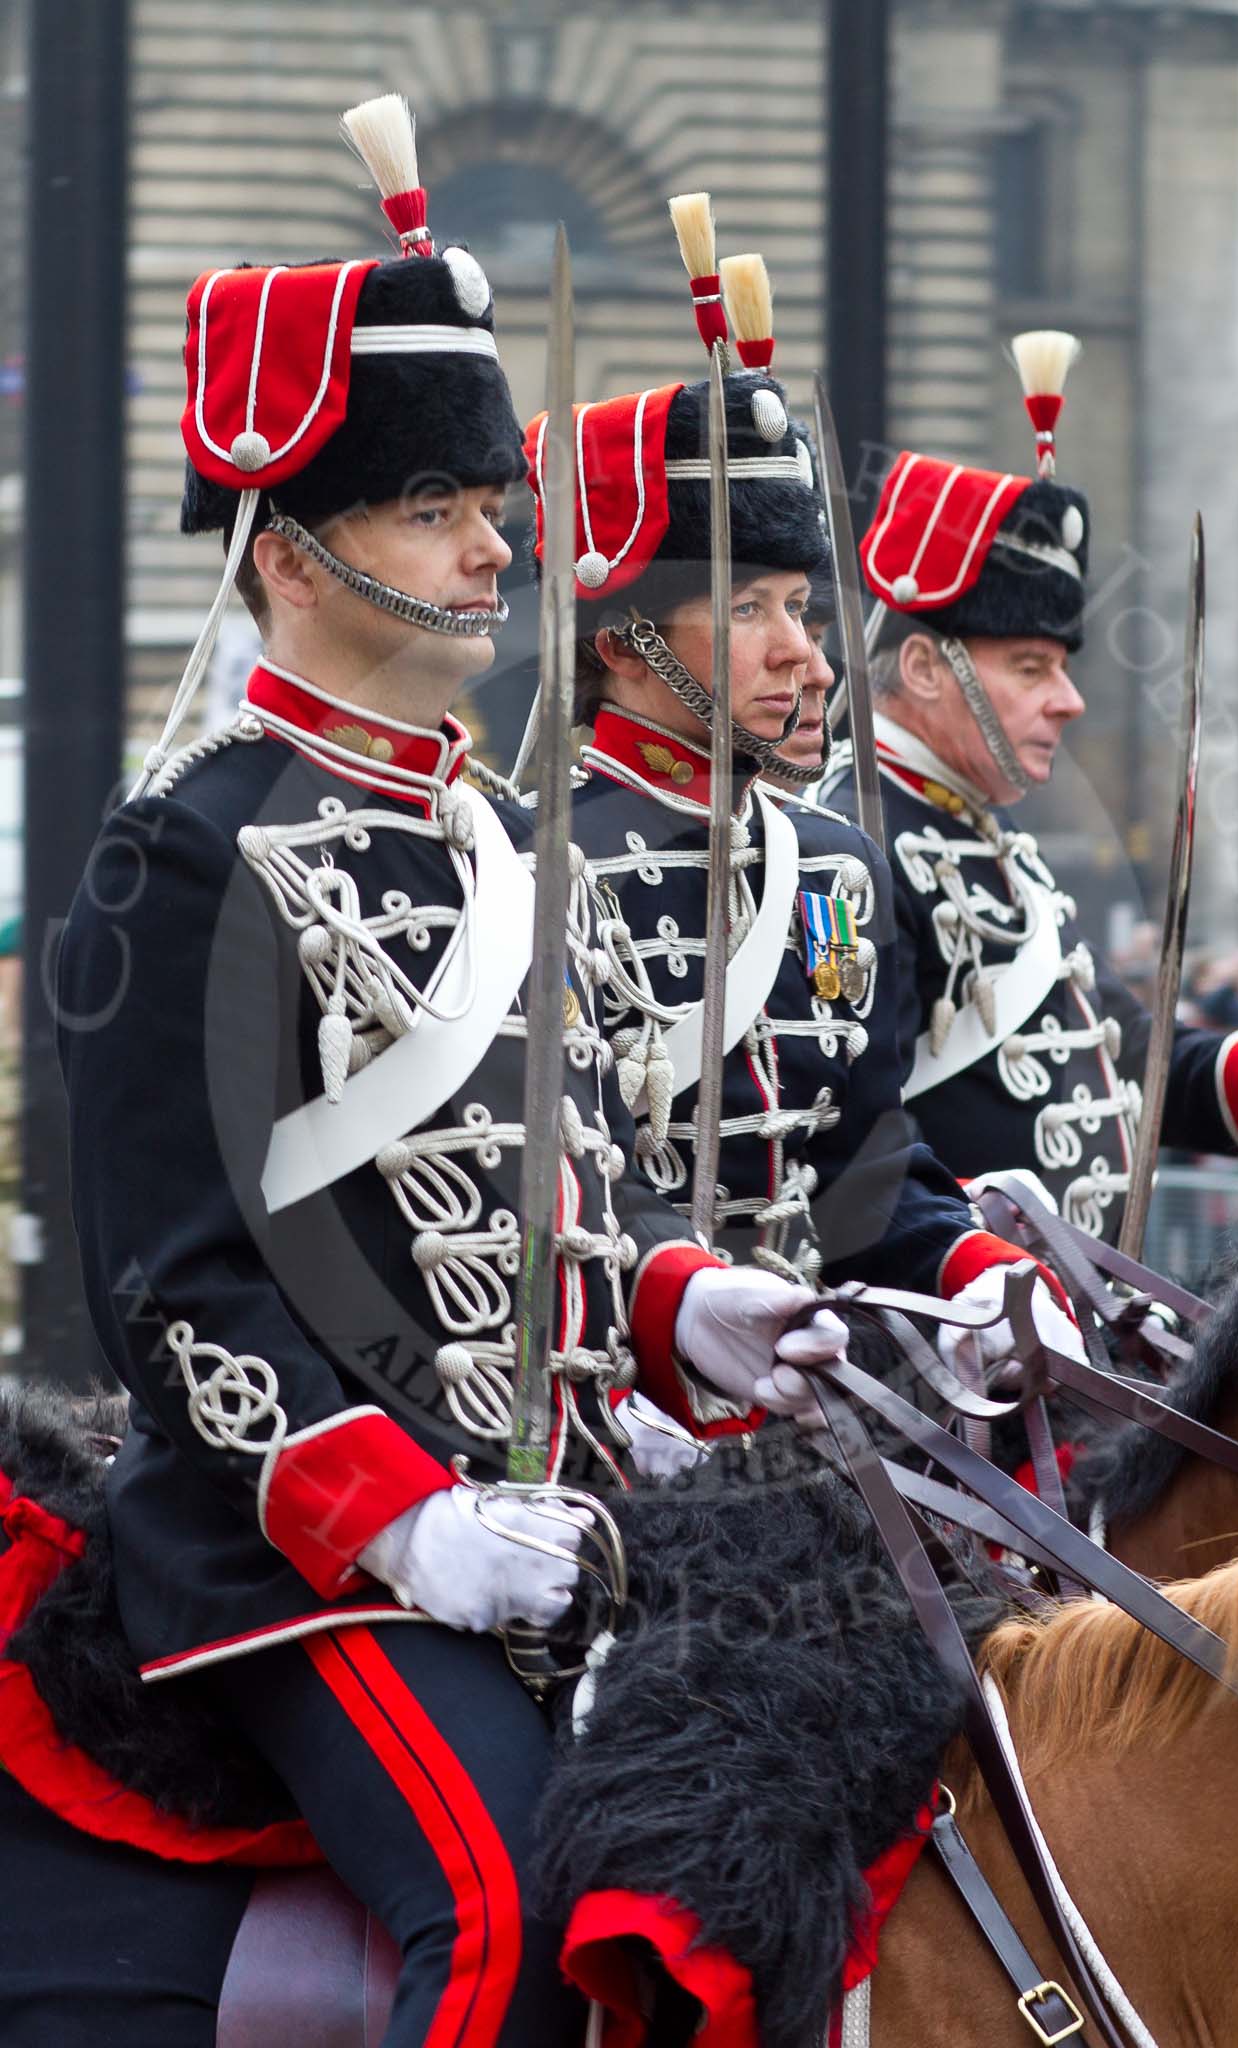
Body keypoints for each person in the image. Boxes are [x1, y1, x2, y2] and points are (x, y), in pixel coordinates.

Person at [54, 101, 849, 2047]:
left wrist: (691, 1299)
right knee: (511, 1903)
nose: (500, 540)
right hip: (287, 1561)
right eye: (437, 504)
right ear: (294, 544)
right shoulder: (186, 847)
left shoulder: (497, 840)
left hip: (562, 1514)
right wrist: (401, 1518)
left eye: (491, 497)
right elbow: (177, 1291)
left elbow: (561, 1189)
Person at [525, 228, 1082, 1367]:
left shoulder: (832, 862)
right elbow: (539, 1196)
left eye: (806, 613)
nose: (809, 658)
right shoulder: (532, 866)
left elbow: (867, 1170)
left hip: (827, 1412)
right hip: (622, 1406)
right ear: (625, 644)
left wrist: (987, 1273)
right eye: (748, 613)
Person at [818, 332, 1238, 1235]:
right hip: (939, 1341)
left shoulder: (995, 849)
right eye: (1029, 668)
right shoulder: (843, 848)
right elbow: (842, 1136)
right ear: (921, 668)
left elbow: (1115, 1053)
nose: (1067, 701)